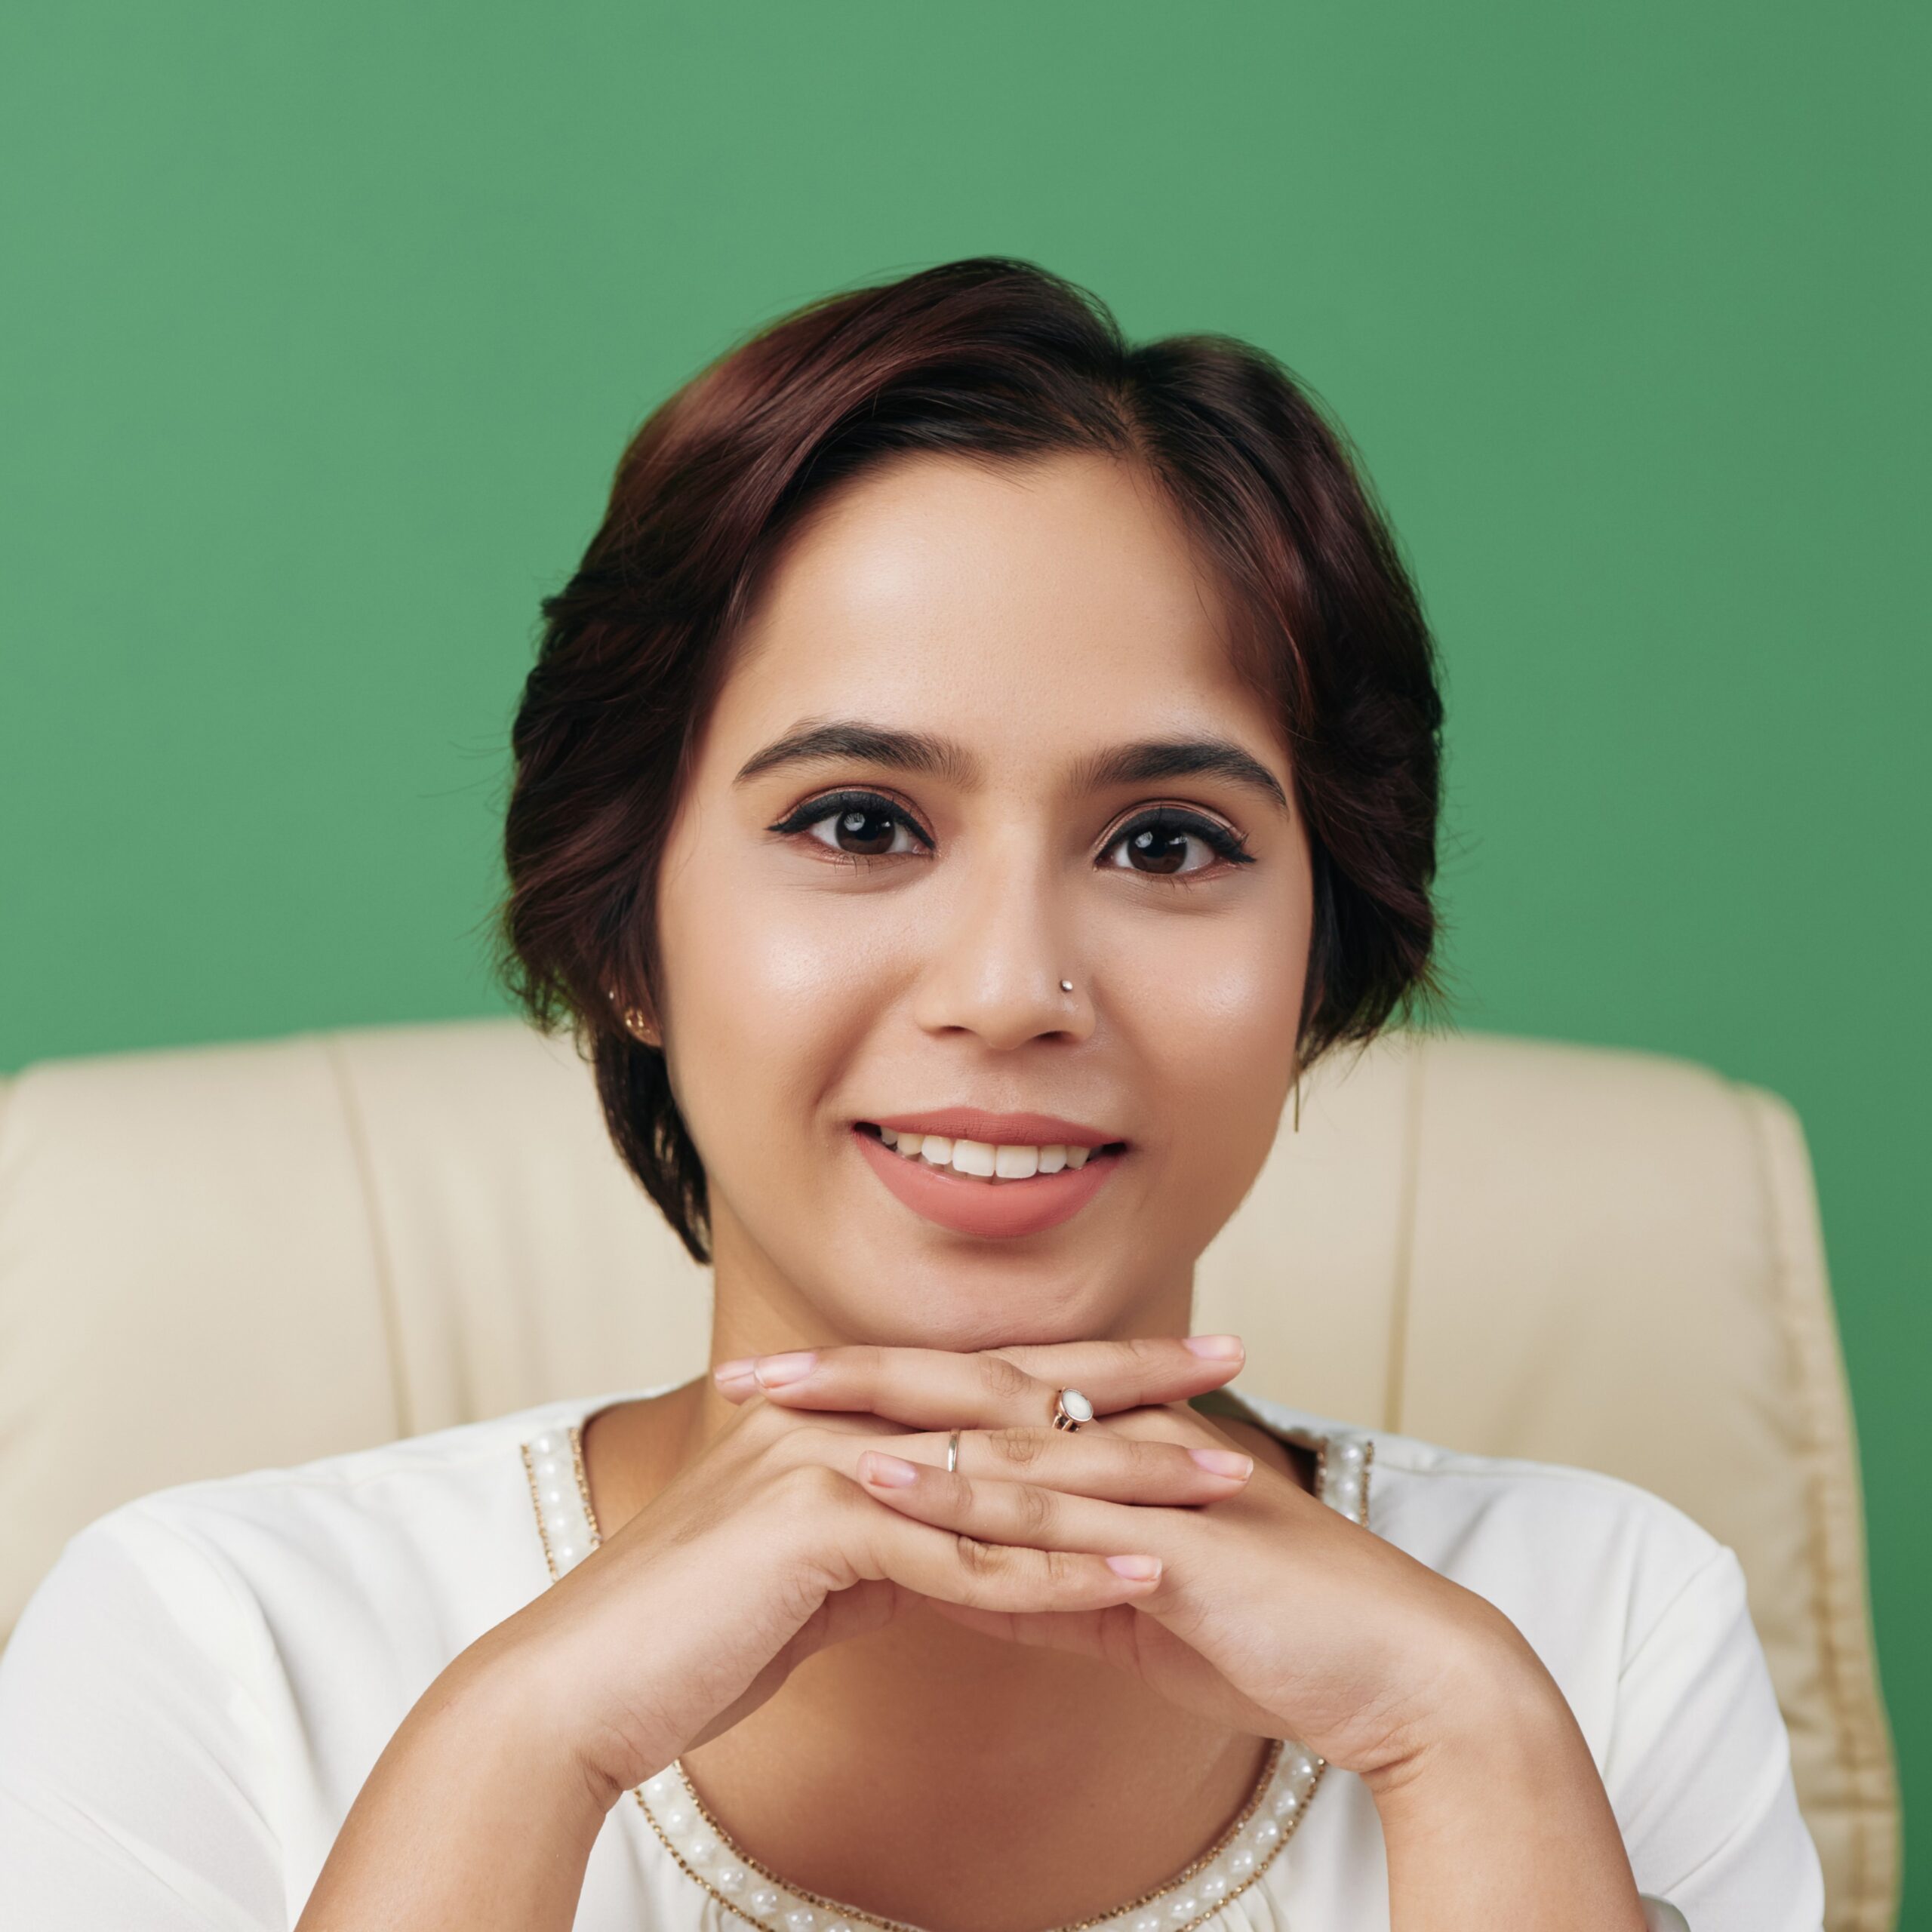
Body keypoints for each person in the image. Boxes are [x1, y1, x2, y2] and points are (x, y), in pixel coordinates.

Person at [0, 258, 1822, 1932]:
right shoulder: (219, 1642)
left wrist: (1468, 1748)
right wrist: (515, 1743)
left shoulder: (1589, 1632)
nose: (1009, 990)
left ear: (1317, 962)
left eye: (1167, 840)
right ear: (623, 930)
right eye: (858, 822)